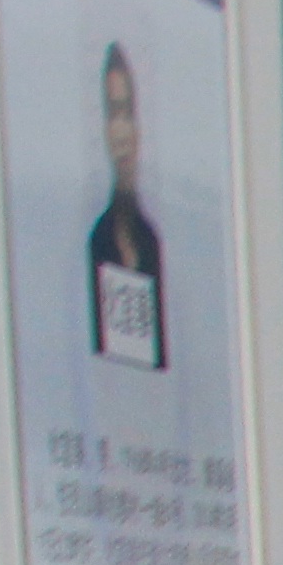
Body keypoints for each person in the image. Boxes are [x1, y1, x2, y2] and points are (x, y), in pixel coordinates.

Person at [86, 44, 169, 370]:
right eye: (112, 114)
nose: (121, 132)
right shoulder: (100, 239)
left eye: (127, 114)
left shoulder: (149, 240)